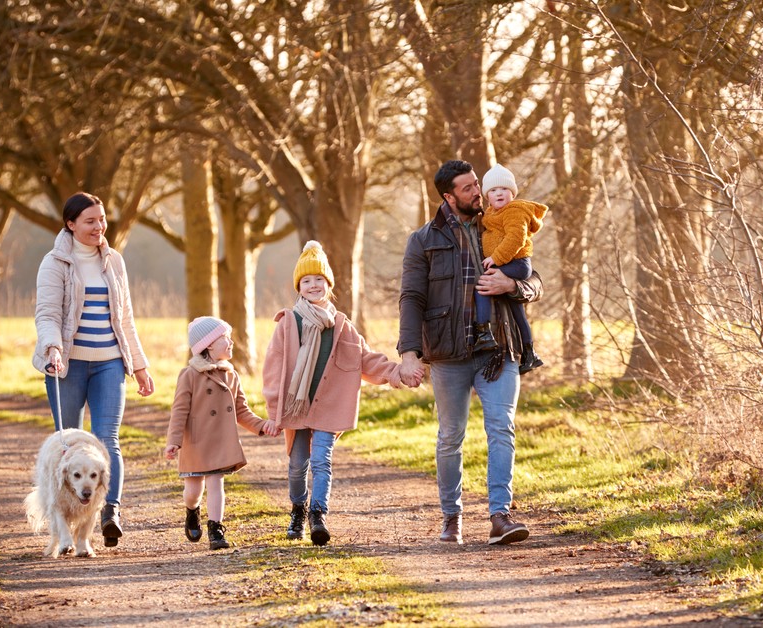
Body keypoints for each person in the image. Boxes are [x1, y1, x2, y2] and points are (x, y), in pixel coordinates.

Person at [397, 160, 543, 546]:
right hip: (448, 353)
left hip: (500, 347)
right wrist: (409, 353)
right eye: (467, 188)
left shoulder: (499, 221)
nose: (478, 193)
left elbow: (535, 281)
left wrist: (511, 285)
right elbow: (411, 298)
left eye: (477, 184)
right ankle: (452, 517)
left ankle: (500, 515)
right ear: (449, 196)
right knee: (451, 436)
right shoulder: (423, 240)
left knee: (501, 428)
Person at [263, 241, 421, 546]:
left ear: (328, 285)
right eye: (307, 281)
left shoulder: (342, 327)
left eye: (319, 280)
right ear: (299, 286)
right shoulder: (287, 325)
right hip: (296, 409)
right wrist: (274, 411)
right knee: (297, 466)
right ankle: (299, 507)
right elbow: (273, 370)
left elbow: (365, 359)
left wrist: (396, 373)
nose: (313, 286)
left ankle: (317, 516)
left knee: (322, 461)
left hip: (329, 407)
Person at [33, 191, 156, 548]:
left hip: (109, 363)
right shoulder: (54, 263)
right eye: (90, 221)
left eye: (101, 220)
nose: (99, 227)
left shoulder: (114, 260)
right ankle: (63, 517)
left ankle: (110, 511)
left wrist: (140, 365)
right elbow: (47, 315)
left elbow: (126, 318)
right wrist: (52, 347)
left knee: (108, 440)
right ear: (70, 225)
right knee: (68, 444)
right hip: (66, 364)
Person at [164, 316, 279, 550]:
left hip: (220, 442)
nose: (230, 342)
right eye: (224, 338)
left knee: (217, 484)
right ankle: (192, 510)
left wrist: (261, 425)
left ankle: (216, 528)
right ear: (208, 345)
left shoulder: (231, 375)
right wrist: (173, 442)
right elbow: (179, 411)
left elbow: (241, 411)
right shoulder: (189, 375)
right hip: (195, 442)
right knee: (193, 491)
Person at [473, 164, 549, 374]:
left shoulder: (515, 211)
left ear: (512, 193)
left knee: (483, 286)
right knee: (517, 309)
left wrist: (495, 258)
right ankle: (530, 353)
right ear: (487, 196)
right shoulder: (491, 213)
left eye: (504, 189)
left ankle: (484, 333)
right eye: (493, 190)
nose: (499, 193)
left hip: (516, 264)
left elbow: (516, 238)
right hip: (508, 263)